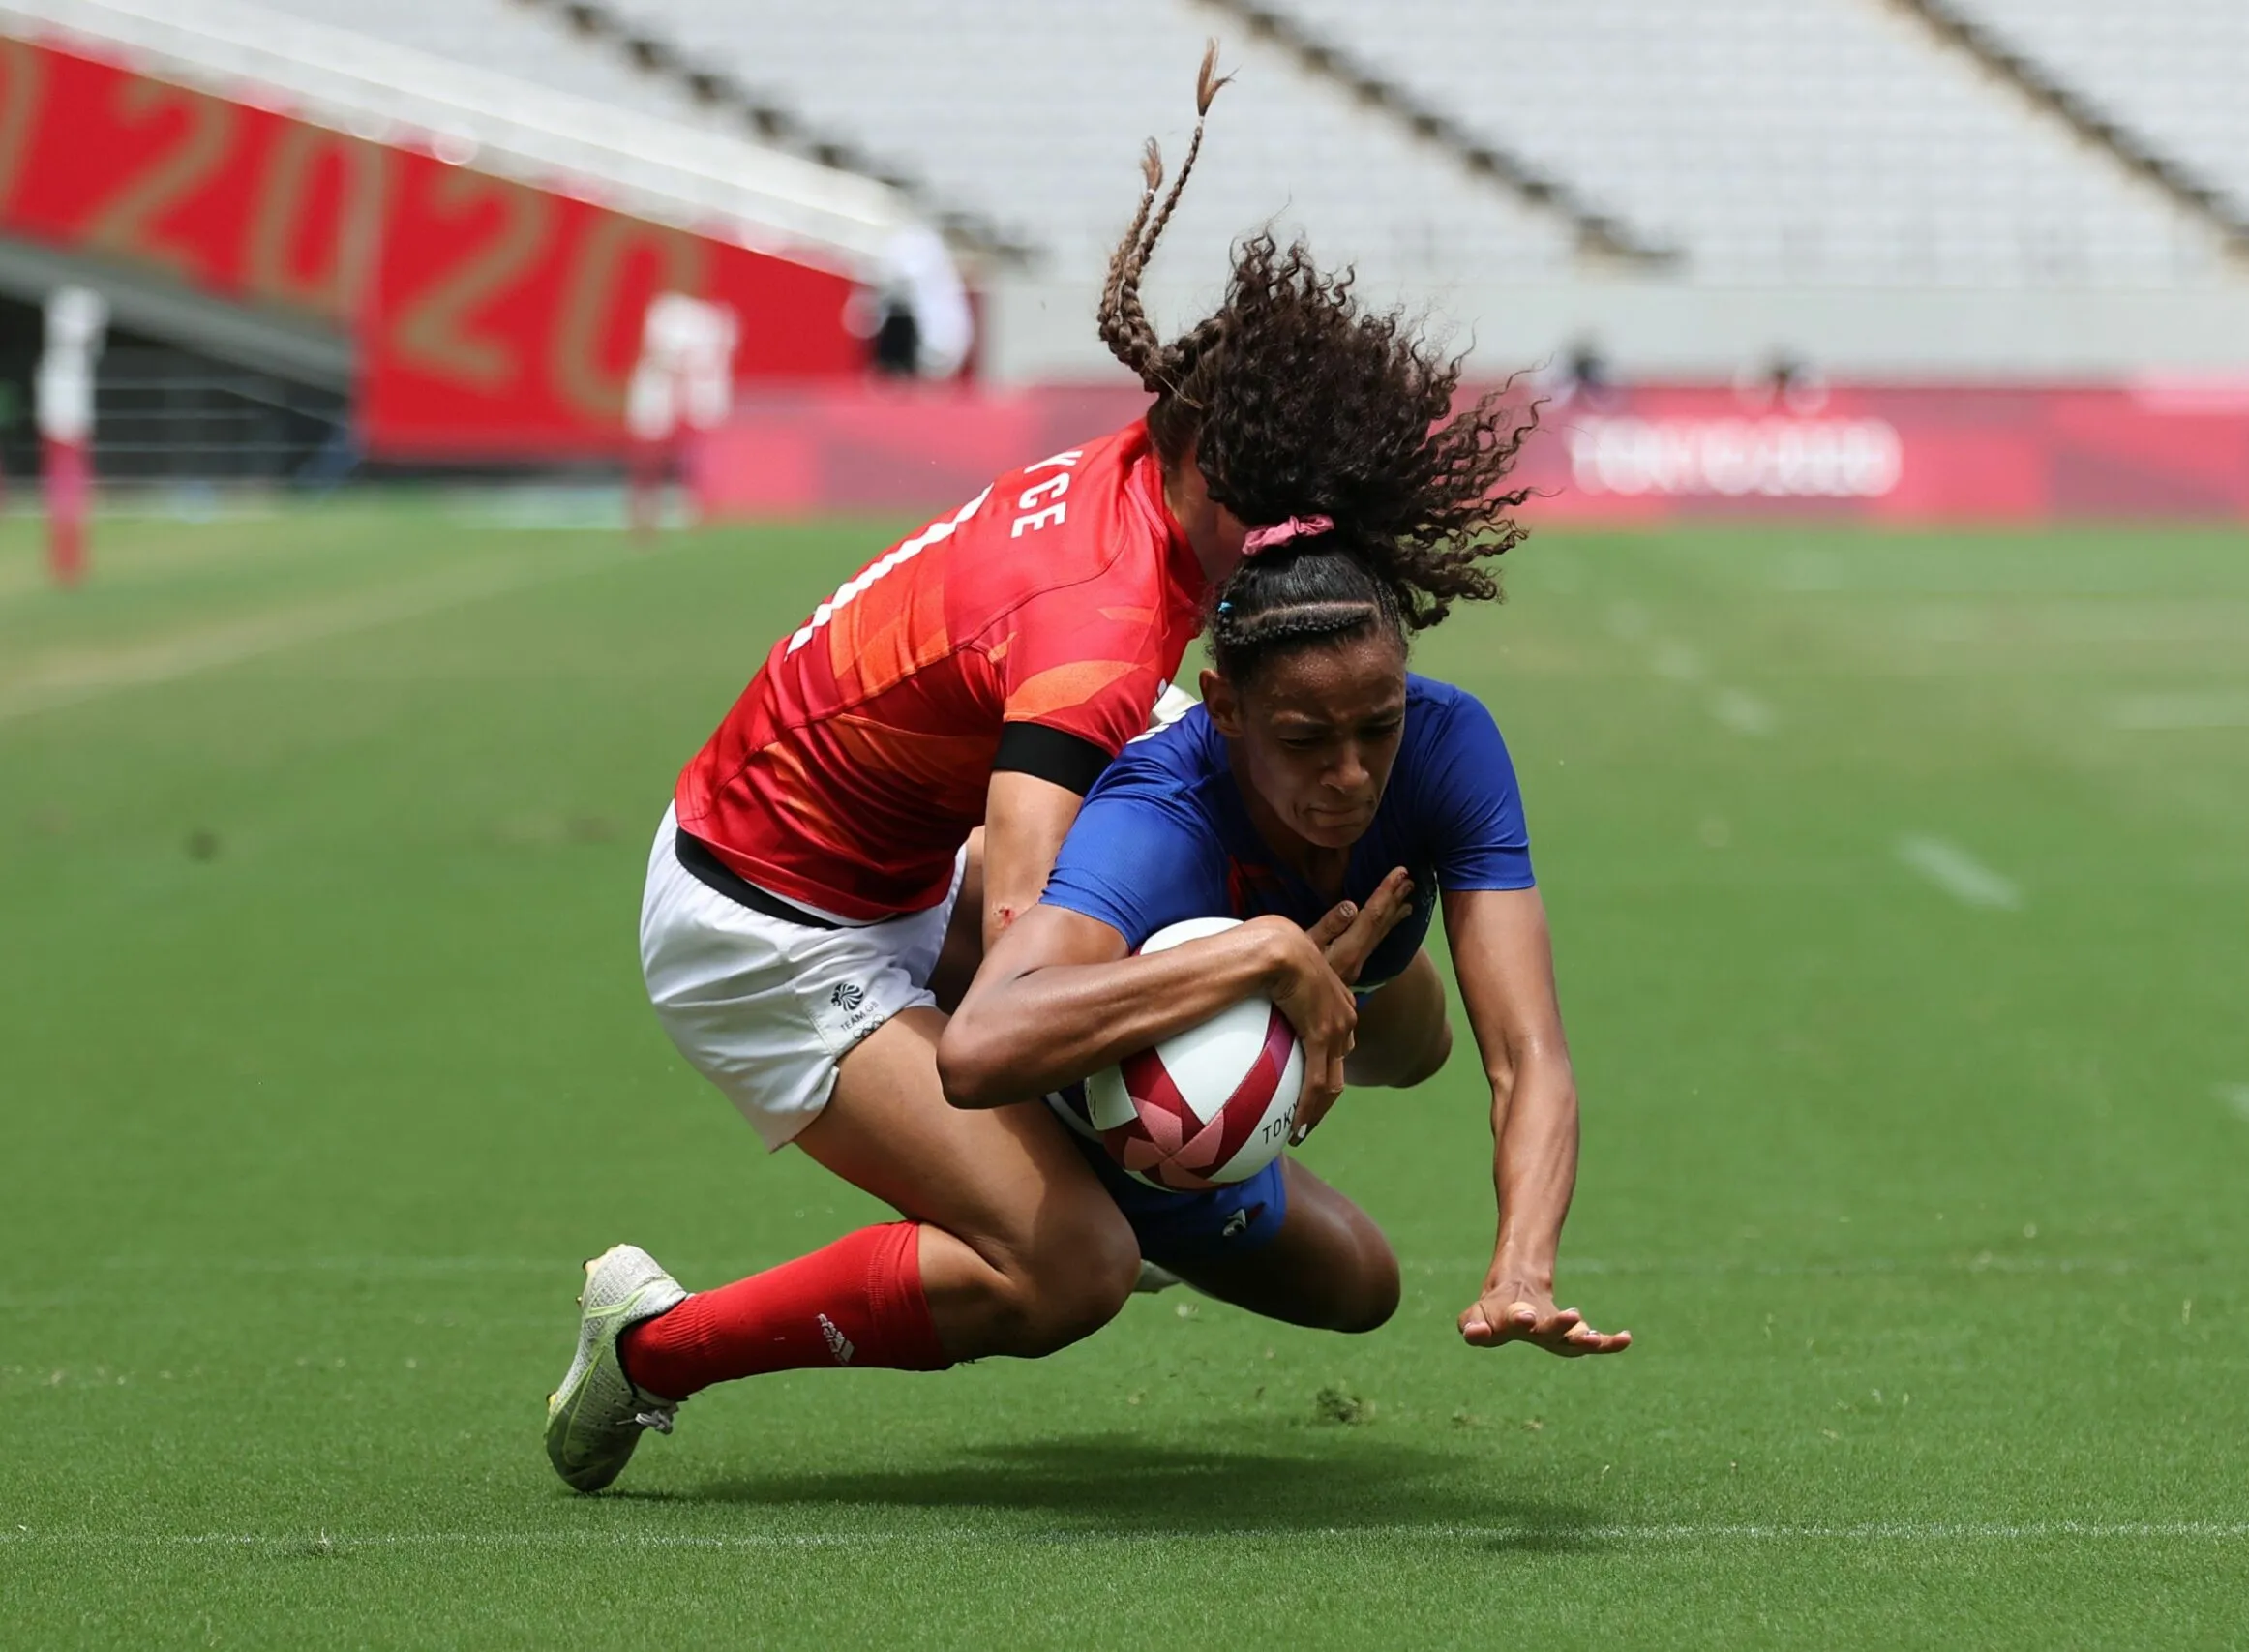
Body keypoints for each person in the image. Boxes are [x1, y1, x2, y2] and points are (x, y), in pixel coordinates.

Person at [545, 45, 1539, 1492]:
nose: (1286, 554)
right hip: (765, 922)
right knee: (1070, 1266)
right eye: (1269, 514)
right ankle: (653, 1346)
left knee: (1347, 1232)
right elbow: (1017, 962)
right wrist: (1248, 959)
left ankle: (1128, 1150)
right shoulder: (1099, 627)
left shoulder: (1152, 484)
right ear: (1201, 456)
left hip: (900, 861)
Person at [938, 533, 1629, 1356]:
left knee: (1408, 1111)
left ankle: (1279, 1015)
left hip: (1344, 964)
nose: (1352, 775)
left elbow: (1527, 1052)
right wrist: (1264, 952)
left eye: (1380, 726)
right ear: (1225, 707)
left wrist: (1523, 1268)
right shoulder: (1160, 811)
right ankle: (1028, 1055)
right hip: (1081, 1007)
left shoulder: (1448, 740)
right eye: (1306, 740)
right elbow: (976, 1051)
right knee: (991, 901)